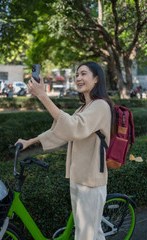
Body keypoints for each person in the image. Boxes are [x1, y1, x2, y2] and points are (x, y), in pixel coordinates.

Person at [15, 61, 116, 240]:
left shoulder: (101, 106)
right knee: (92, 233)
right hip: (78, 177)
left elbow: (72, 127)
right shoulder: (84, 107)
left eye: (84, 74)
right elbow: (61, 133)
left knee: (85, 235)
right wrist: (29, 142)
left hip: (90, 182)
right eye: (77, 75)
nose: (78, 78)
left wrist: (43, 96)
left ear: (96, 79)